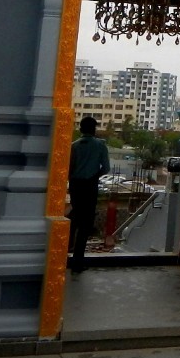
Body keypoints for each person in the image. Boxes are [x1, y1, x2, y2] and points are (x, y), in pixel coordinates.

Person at [68, 116, 110, 273]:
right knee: (86, 223)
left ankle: (66, 249)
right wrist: (94, 176)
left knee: (75, 216)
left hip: (75, 185)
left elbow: (68, 168)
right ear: (94, 130)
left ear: (80, 129)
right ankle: (78, 261)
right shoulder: (100, 146)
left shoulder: (74, 146)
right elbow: (105, 168)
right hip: (90, 186)